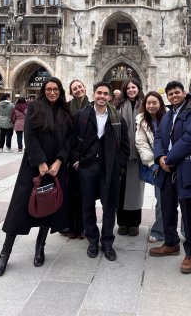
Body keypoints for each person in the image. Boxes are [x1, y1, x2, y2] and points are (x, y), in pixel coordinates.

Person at [0, 77, 73, 276]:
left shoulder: (65, 112)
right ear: (44, 91)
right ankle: (5, 252)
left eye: (55, 89)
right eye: (49, 89)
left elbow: (69, 140)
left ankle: (40, 247)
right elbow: (29, 135)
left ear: (60, 91)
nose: (52, 92)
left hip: (55, 168)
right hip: (33, 167)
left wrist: (59, 161)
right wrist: (40, 162)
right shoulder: (35, 108)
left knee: (48, 207)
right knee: (19, 209)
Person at [149, 81, 191, 275]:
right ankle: (171, 242)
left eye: (176, 93)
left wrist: (170, 158)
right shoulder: (167, 114)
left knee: (188, 211)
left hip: (186, 167)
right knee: (167, 206)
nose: (173, 96)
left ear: (184, 93)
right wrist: (160, 158)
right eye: (170, 94)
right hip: (167, 169)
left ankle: (190, 252)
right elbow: (158, 137)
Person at [71, 82, 130, 261]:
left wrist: (119, 165)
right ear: (94, 94)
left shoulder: (118, 118)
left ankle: (107, 242)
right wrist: (76, 161)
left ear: (110, 97)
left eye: (105, 94)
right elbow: (72, 140)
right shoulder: (81, 115)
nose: (102, 96)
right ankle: (92, 239)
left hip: (109, 169)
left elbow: (125, 147)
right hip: (87, 167)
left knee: (109, 206)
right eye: (99, 93)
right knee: (87, 205)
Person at [135, 91, 167, 243]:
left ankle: (190, 230)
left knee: (184, 199)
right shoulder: (141, 120)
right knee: (160, 199)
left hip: (175, 162)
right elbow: (141, 144)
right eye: (148, 103)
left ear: (160, 103)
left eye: (155, 102)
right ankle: (159, 230)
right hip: (157, 166)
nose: (151, 106)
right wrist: (153, 164)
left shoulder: (169, 117)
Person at [117, 78, 145, 237]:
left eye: (133, 87)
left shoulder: (145, 105)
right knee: (120, 190)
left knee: (136, 190)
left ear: (138, 88)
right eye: (128, 88)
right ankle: (121, 222)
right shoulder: (119, 106)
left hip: (138, 155)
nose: (131, 90)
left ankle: (134, 223)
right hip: (122, 154)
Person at [65, 79, 90, 239]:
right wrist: (73, 158)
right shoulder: (67, 107)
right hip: (71, 155)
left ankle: (84, 227)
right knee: (72, 193)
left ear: (85, 88)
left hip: (87, 156)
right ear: (71, 92)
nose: (78, 90)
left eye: (80, 87)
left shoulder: (93, 106)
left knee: (86, 195)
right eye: (75, 88)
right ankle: (71, 227)